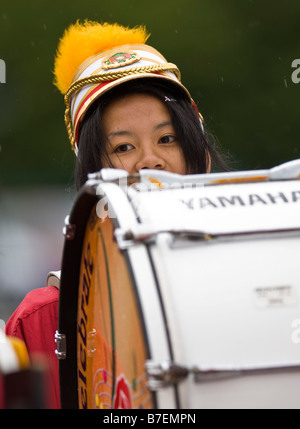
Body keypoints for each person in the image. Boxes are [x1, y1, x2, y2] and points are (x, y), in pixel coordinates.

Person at [4, 20, 228, 408]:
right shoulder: (43, 319)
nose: (150, 161)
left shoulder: (260, 282)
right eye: (123, 147)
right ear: (93, 176)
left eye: (168, 138)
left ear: (200, 156)